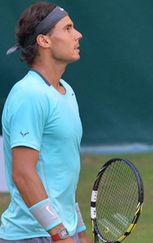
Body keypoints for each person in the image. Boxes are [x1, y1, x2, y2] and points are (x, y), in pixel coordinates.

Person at [0, 2, 91, 242]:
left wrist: (79, 230)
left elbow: (61, 175)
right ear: (44, 41)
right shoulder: (29, 95)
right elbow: (23, 172)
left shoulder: (67, 92)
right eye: (68, 28)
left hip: (59, 231)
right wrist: (59, 234)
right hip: (31, 235)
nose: (78, 34)